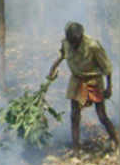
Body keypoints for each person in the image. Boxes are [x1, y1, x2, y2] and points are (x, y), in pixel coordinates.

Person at [48, 21, 119, 152]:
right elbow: (62, 55)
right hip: (77, 79)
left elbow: (107, 68)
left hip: (93, 80)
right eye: (71, 41)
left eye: (75, 42)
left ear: (81, 37)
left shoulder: (93, 46)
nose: (73, 45)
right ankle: (76, 148)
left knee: (102, 115)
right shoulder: (66, 42)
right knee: (74, 115)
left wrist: (109, 87)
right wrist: (52, 69)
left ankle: (116, 140)